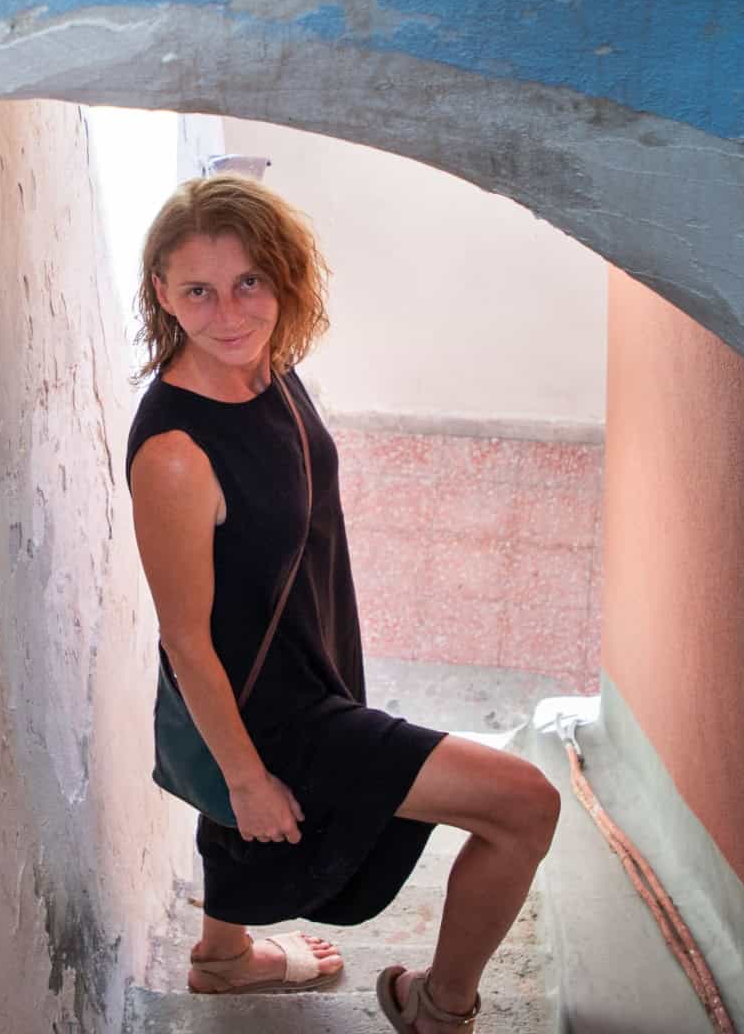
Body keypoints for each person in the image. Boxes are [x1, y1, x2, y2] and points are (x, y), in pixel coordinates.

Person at [123, 174, 561, 1033]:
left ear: (283, 277)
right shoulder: (175, 454)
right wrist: (245, 780)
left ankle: (223, 958)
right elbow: (186, 639)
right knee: (525, 806)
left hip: (307, 659)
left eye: (249, 281)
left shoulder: (264, 367)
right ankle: (439, 1008)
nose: (229, 313)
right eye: (198, 292)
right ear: (162, 295)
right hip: (280, 718)